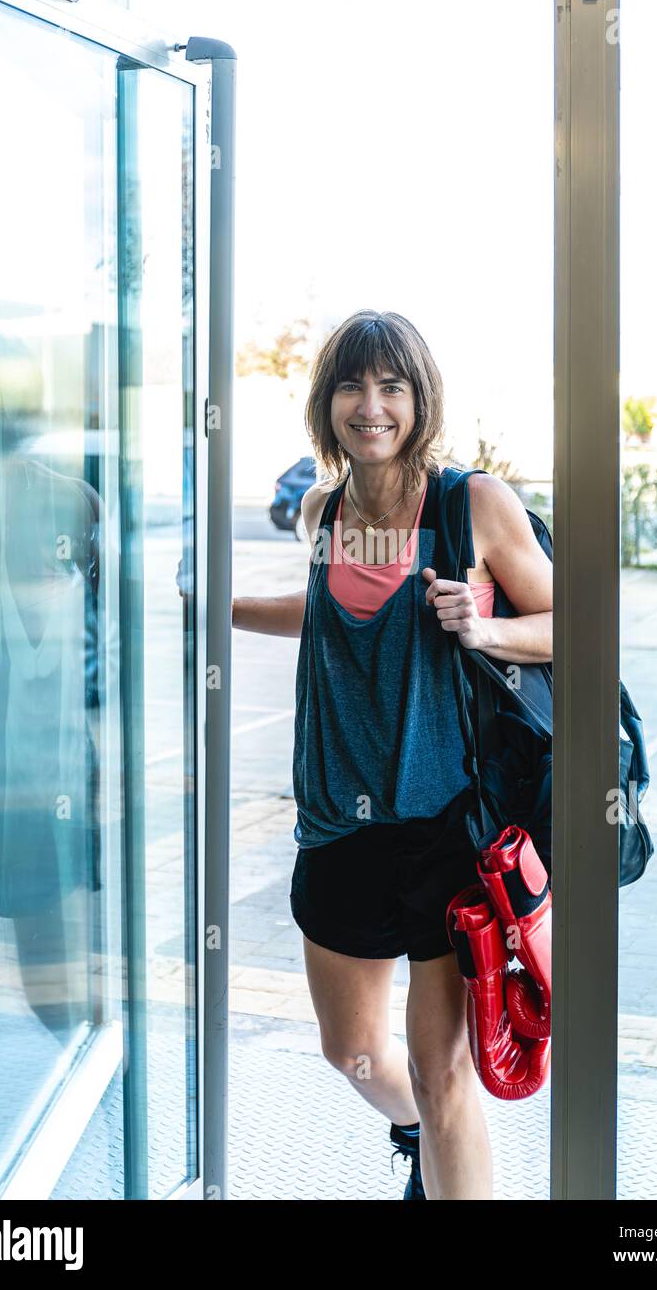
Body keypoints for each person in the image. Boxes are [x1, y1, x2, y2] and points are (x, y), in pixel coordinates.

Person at [232, 309, 553, 1200]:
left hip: (449, 832)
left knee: (443, 1071)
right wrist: (222, 610)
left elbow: (579, 629)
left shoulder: (471, 505)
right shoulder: (320, 512)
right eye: (350, 385)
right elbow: (339, 616)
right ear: (325, 401)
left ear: (420, 400)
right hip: (338, 825)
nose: (369, 406)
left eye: (391, 387)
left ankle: (447, 1159)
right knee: (354, 1051)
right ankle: (415, 1134)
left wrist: (483, 627)